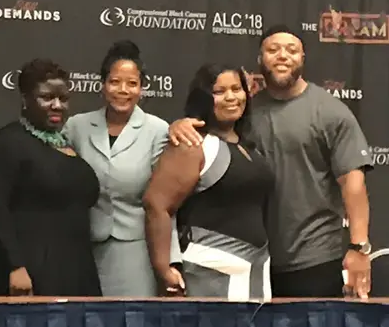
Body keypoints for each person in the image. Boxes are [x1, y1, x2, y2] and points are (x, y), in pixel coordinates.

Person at [168, 25, 372, 298]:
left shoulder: (331, 112)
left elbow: (353, 183)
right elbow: (206, 131)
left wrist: (359, 247)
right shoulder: (243, 112)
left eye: (292, 50)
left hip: (315, 259)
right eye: (273, 49)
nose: (282, 56)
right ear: (259, 59)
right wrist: (179, 126)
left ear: (303, 59)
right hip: (251, 260)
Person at [143, 64, 275, 300]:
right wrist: (164, 268)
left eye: (237, 89)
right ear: (205, 98)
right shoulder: (191, 143)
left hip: (255, 272)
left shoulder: (249, 146)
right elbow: (157, 204)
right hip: (208, 274)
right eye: (220, 91)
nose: (231, 97)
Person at [63, 40, 182, 296]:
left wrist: (169, 262)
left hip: (136, 249)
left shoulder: (157, 130)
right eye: (115, 82)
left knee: (132, 324)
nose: (123, 90)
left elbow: (164, 204)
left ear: (142, 89)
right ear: (103, 85)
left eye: (132, 83)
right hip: (83, 248)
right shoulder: (76, 126)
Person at [0, 59, 101, 296]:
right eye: (47, 98)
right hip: (34, 271)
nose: (57, 105)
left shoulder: (66, 144)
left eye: (64, 99)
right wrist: (14, 266)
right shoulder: (8, 142)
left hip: (78, 269)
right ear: (25, 99)